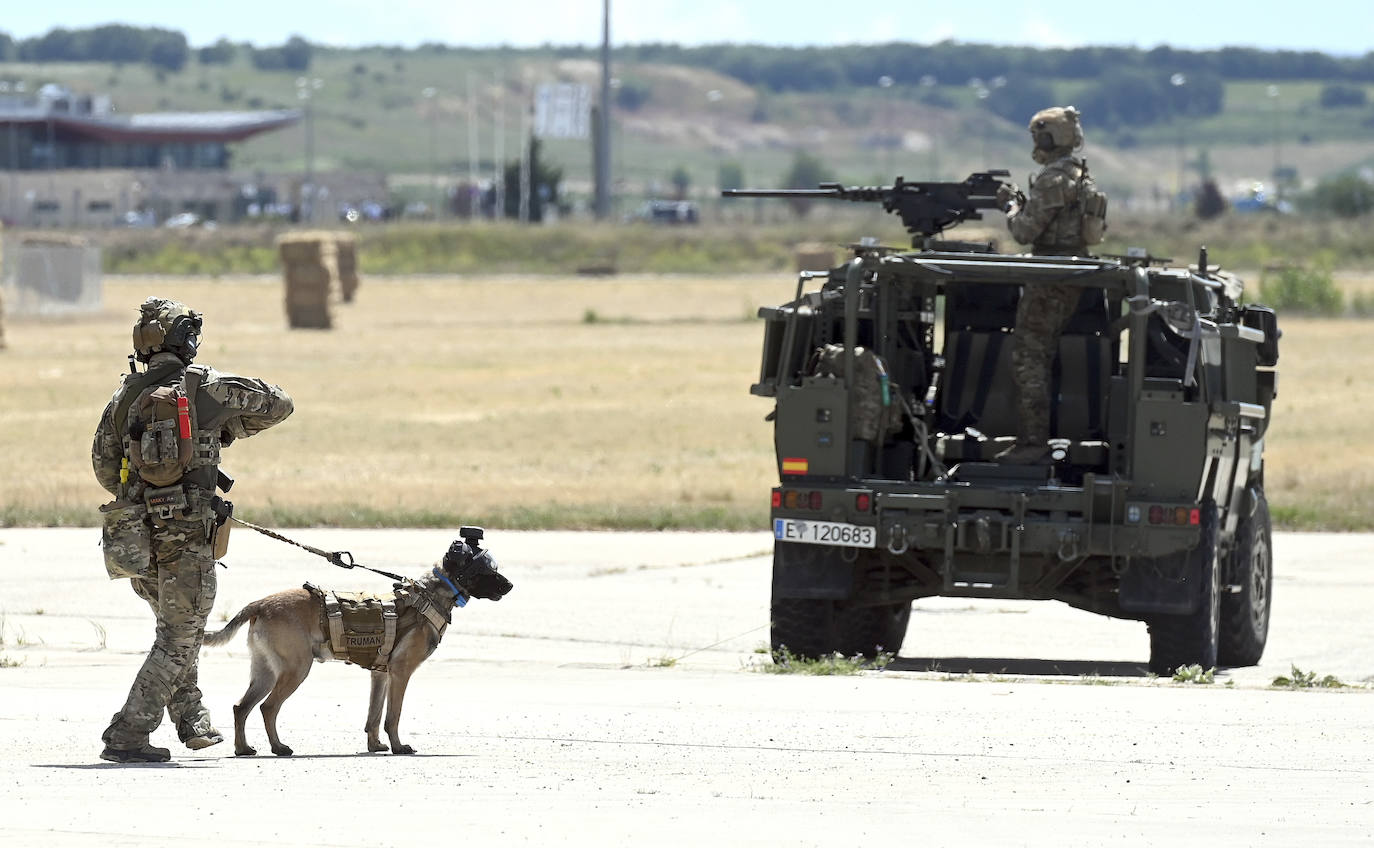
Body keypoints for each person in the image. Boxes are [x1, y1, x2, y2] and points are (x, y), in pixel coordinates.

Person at [92, 297, 294, 763]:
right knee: (180, 636)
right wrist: (224, 425)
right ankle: (128, 734)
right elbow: (280, 404)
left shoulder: (122, 400)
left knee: (176, 629)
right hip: (188, 535)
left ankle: (193, 720)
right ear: (187, 339)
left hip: (138, 539)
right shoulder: (206, 386)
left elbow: (105, 470)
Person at [994, 105, 1108, 463]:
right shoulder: (1077, 174)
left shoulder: (1055, 178)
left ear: (1050, 138)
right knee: (1038, 354)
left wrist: (1011, 207)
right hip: (1066, 271)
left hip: (1051, 276)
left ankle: (1032, 442)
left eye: (1038, 136)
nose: (1036, 144)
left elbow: (1025, 231)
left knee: (1029, 355)